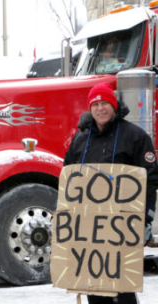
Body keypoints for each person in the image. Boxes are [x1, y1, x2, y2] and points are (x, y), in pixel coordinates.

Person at [64, 82, 158, 304]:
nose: (100, 108)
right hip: (89, 229)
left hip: (122, 225)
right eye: (95, 104)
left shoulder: (135, 136)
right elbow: (68, 178)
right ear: (90, 108)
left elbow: (150, 178)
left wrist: (145, 218)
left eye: (105, 102)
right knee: (94, 284)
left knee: (122, 285)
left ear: (114, 106)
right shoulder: (79, 139)